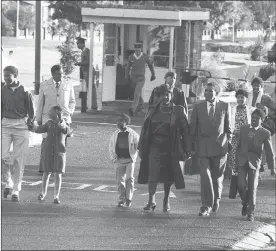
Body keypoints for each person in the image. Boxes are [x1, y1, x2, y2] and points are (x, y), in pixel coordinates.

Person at [137, 85, 191, 212]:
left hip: (171, 146)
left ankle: (166, 199)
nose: (165, 97)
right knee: (152, 173)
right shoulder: (151, 110)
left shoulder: (178, 110)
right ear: (158, 96)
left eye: (168, 94)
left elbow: (186, 131)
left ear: (172, 96)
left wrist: (188, 149)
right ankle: (151, 200)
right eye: (162, 95)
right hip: (154, 146)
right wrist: (141, 148)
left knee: (169, 175)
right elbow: (145, 130)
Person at [189, 82, 233, 217]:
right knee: (205, 176)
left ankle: (216, 199)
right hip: (202, 147)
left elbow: (228, 127)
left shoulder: (225, 106)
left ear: (216, 93)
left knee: (217, 177)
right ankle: (205, 205)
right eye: (206, 91)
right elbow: (193, 128)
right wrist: (191, 145)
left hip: (220, 146)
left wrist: (229, 142)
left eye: (210, 91)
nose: (207, 93)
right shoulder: (198, 106)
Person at [1, 65, 35, 202]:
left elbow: (31, 109)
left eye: (8, 75)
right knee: (2, 156)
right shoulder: (2, 90)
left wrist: (30, 122)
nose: (6, 78)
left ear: (16, 75)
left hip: (21, 126)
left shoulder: (25, 91)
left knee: (18, 159)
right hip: (5, 126)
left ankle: (16, 188)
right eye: (4, 76)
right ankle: (8, 181)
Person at [236, 108, 275, 222]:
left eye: (257, 118)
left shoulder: (265, 133)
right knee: (240, 185)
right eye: (252, 118)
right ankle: (245, 202)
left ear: (261, 120)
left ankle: (250, 212)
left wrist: (272, 168)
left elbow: (269, 152)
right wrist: (235, 162)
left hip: (254, 163)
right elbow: (238, 147)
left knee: (252, 187)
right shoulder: (243, 129)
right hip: (242, 161)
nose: (253, 120)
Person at [35, 64, 76, 173]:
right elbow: (40, 103)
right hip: (47, 118)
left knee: (62, 143)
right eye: (58, 74)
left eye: (62, 73)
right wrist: (38, 118)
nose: (61, 76)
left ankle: (59, 168)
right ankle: (44, 168)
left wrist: (70, 112)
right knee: (46, 142)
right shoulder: (44, 85)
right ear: (53, 74)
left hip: (64, 118)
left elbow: (72, 101)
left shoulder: (68, 84)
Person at [32, 105, 71, 204]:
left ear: (57, 113)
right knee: (46, 173)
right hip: (48, 151)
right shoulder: (49, 123)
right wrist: (32, 127)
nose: (49, 112)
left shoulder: (64, 123)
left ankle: (56, 196)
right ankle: (43, 193)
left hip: (59, 152)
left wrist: (61, 120)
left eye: (51, 111)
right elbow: (40, 129)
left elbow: (66, 130)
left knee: (58, 174)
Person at [247, 77, 276, 177]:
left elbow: (274, 112)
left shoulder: (266, 98)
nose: (256, 88)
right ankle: (255, 168)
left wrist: (264, 108)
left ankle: (261, 167)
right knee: (251, 147)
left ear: (261, 87)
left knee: (261, 148)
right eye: (254, 86)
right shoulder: (248, 97)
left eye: (258, 86)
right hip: (250, 125)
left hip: (264, 126)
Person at [108, 113, 140, 208]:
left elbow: (138, 145)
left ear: (126, 123)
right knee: (120, 181)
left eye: (121, 121)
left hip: (130, 160)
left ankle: (128, 198)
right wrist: (113, 159)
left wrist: (137, 150)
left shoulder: (133, 134)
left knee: (129, 179)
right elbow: (111, 146)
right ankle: (121, 200)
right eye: (117, 121)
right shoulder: (115, 134)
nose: (118, 123)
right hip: (119, 160)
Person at [225, 88, 255, 179]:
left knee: (246, 156)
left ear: (246, 98)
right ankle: (235, 174)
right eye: (238, 97)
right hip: (234, 137)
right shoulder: (232, 109)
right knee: (234, 155)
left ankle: (245, 175)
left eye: (242, 97)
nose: (240, 99)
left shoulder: (251, 110)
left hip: (247, 138)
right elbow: (228, 122)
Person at [125, 43, 156, 116]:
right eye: (136, 49)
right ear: (134, 49)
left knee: (136, 93)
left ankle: (132, 108)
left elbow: (150, 65)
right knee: (137, 93)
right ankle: (141, 105)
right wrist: (127, 76)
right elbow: (128, 67)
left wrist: (153, 74)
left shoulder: (145, 56)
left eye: (138, 49)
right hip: (133, 78)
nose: (137, 50)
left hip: (141, 79)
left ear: (141, 49)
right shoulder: (131, 57)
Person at [75, 37, 97, 111]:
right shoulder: (83, 51)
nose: (77, 45)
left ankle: (94, 105)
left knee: (91, 89)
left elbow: (88, 62)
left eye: (78, 43)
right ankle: (91, 104)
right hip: (85, 72)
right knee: (87, 89)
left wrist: (79, 63)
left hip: (88, 71)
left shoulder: (87, 51)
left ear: (82, 44)